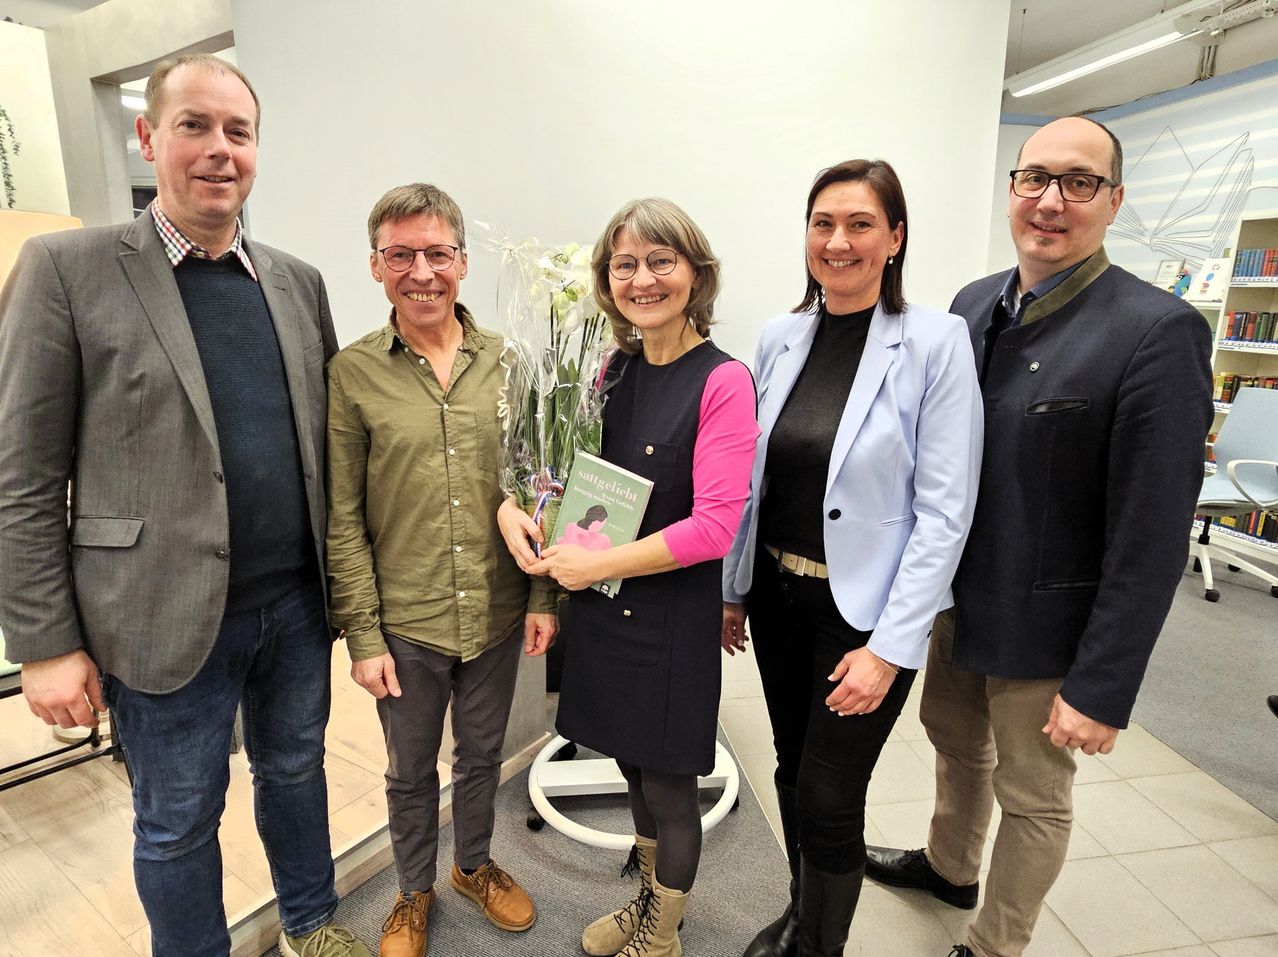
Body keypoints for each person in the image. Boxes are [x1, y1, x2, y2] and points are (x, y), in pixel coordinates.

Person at [0, 54, 367, 957]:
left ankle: (311, 925)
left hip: (293, 606)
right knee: (176, 821)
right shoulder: (64, 269)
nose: (218, 150)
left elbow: (325, 452)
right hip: (158, 616)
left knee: (294, 773)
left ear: (256, 151)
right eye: (194, 126)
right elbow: (23, 473)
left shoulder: (296, 281)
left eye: (237, 132)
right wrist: (45, 642)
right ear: (148, 137)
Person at [865, 117, 1214, 957]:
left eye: (1080, 183)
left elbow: (1154, 531)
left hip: (1050, 628)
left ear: (1114, 200)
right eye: (1035, 179)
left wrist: (1102, 685)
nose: (1052, 202)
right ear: (1013, 189)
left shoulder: (1157, 330)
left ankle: (995, 944)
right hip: (959, 602)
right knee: (955, 742)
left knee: (1034, 796)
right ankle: (951, 864)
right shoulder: (973, 303)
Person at [720, 159, 983, 957]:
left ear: (895, 237)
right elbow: (753, 479)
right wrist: (734, 589)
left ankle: (818, 948)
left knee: (833, 792)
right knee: (793, 769)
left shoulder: (936, 342)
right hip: (777, 594)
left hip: (864, 613)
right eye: (823, 223)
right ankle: (804, 916)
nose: (838, 241)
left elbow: (945, 513)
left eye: (861, 224)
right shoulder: (780, 335)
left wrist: (890, 649)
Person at [498, 197, 758, 957]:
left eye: (660, 261)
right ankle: (649, 901)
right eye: (625, 265)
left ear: (696, 273)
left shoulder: (724, 382)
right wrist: (531, 504)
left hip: (670, 615)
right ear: (607, 283)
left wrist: (595, 564)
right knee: (634, 770)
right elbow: (579, 480)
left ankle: (663, 932)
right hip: (607, 612)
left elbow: (713, 526)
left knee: (672, 784)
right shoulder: (611, 369)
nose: (643, 279)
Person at [326, 183, 559, 957]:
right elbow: (344, 517)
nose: (420, 271)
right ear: (376, 265)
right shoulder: (353, 374)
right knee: (408, 772)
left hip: (495, 610)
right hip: (408, 622)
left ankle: (474, 864)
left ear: (462, 261)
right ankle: (412, 890)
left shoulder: (513, 362)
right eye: (401, 255)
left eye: (436, 253)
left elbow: (539, 486)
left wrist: (541, 593)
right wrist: (363, 634)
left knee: (485, 754)